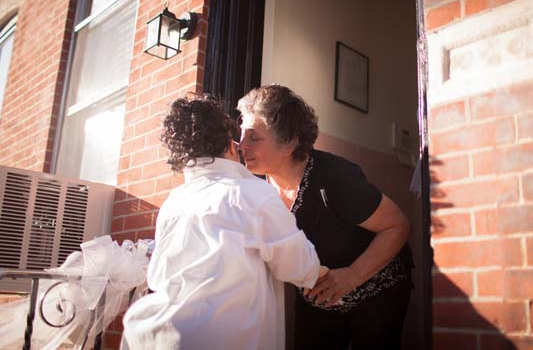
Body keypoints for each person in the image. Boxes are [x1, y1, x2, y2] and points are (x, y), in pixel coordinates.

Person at [122, 94, 327, 350]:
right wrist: (323, 273)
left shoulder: (174, 201)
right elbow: (298, 265)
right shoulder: (251, 193)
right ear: (231, 147)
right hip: (223, 338)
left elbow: (158, 275)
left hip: (158, 334)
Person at [237, 85, 413, 350]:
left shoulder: (334, 177)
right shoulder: (256, 189)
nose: (242, 145)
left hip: (376, 284)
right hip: (318, 295)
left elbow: (397, 226)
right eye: (242, 135)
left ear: (290, 143)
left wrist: (352, 275)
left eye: (254, 137)